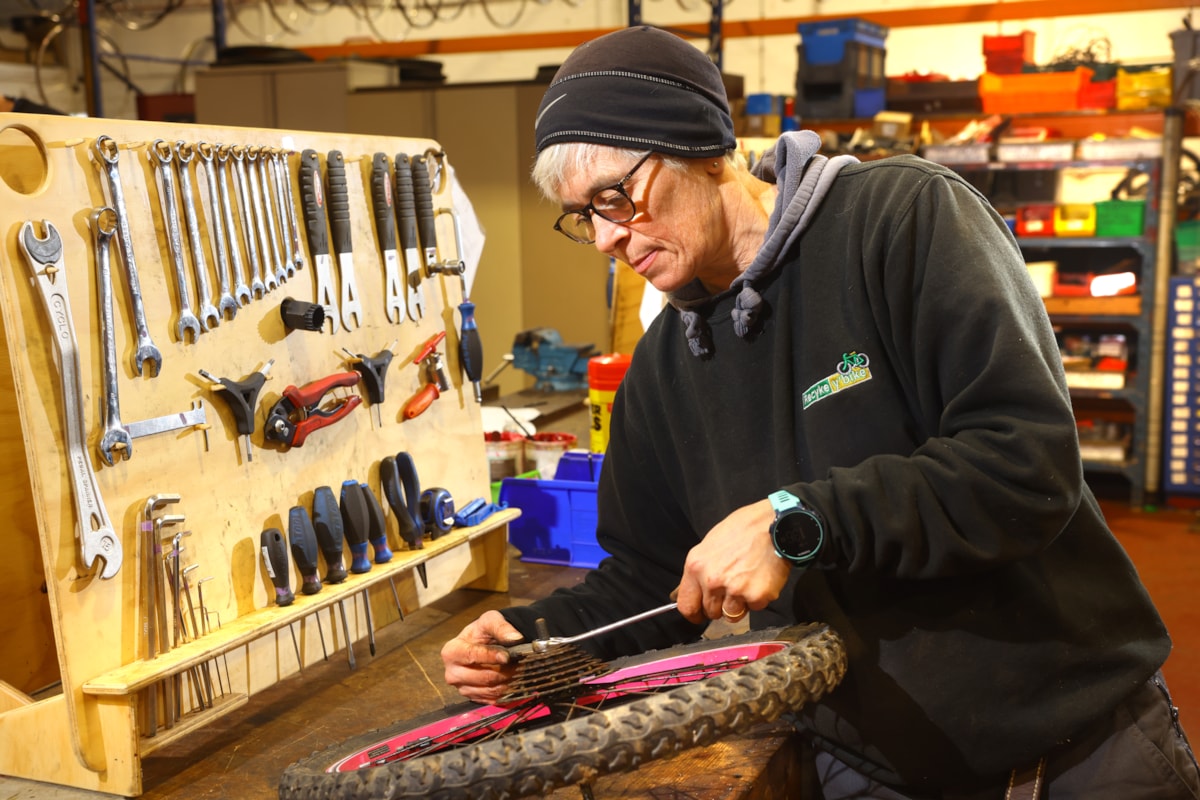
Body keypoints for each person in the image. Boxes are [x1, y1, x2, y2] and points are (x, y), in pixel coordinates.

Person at [441, 25, 1200, 799]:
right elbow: (653, 574)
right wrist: (535, 642)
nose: (606, 236)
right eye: (583, 215)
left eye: (615, 197)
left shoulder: (904, 220)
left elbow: (1024, 464)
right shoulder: (663, 369)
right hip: (869, 768)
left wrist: (796, 522)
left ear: (700, 145)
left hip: (1070, 748)